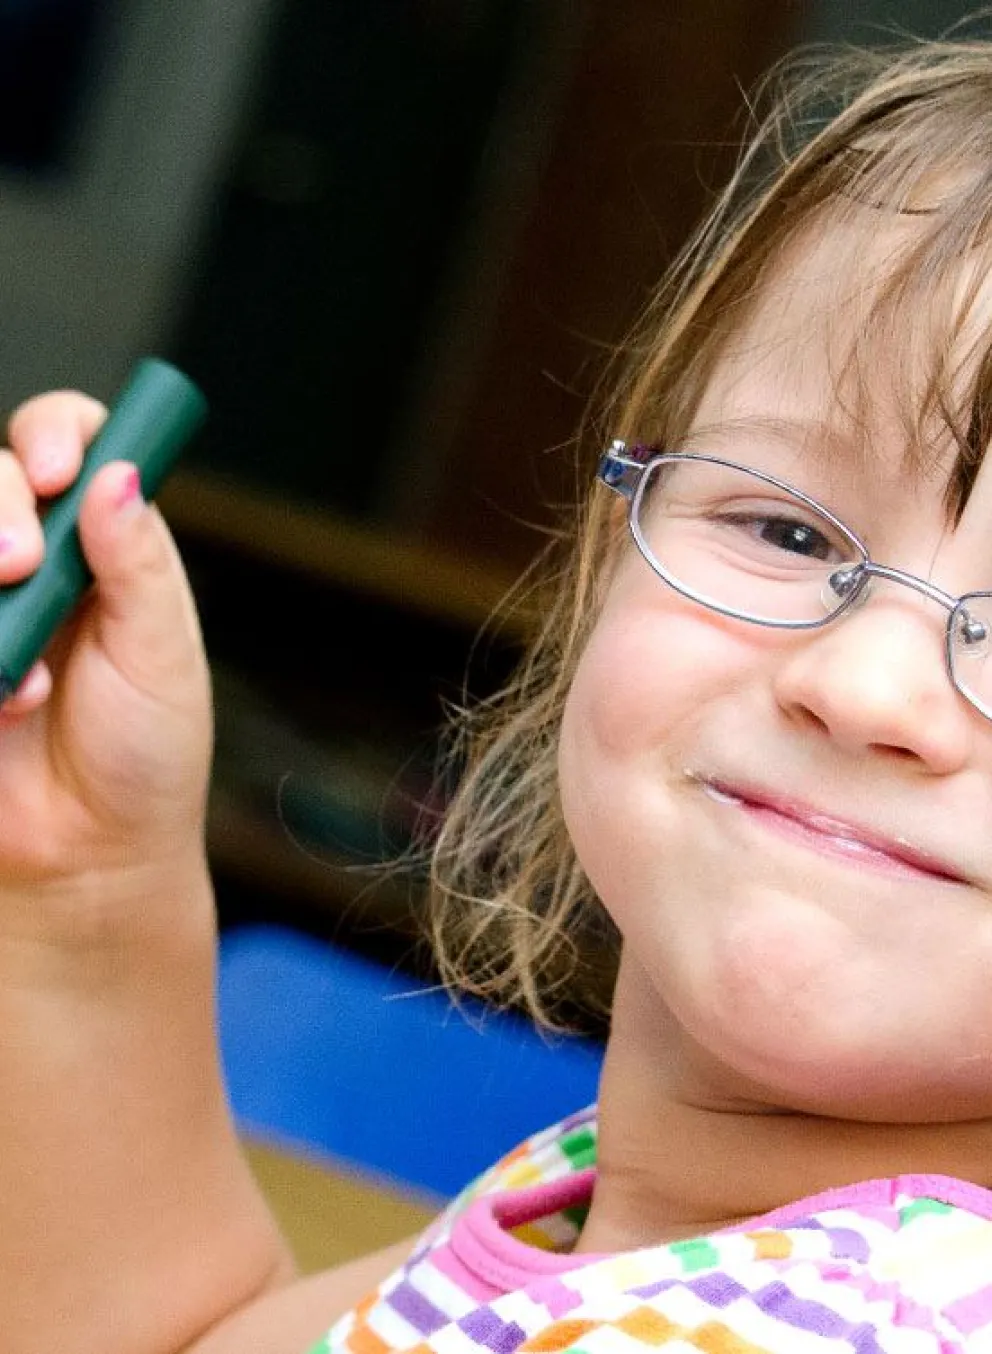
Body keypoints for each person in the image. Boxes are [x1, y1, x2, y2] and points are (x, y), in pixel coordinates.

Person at [9, 27, 992, 1354]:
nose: (865, 685)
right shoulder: (630, 1210)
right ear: (604, 556)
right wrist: (87, 872)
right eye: (787, 529)